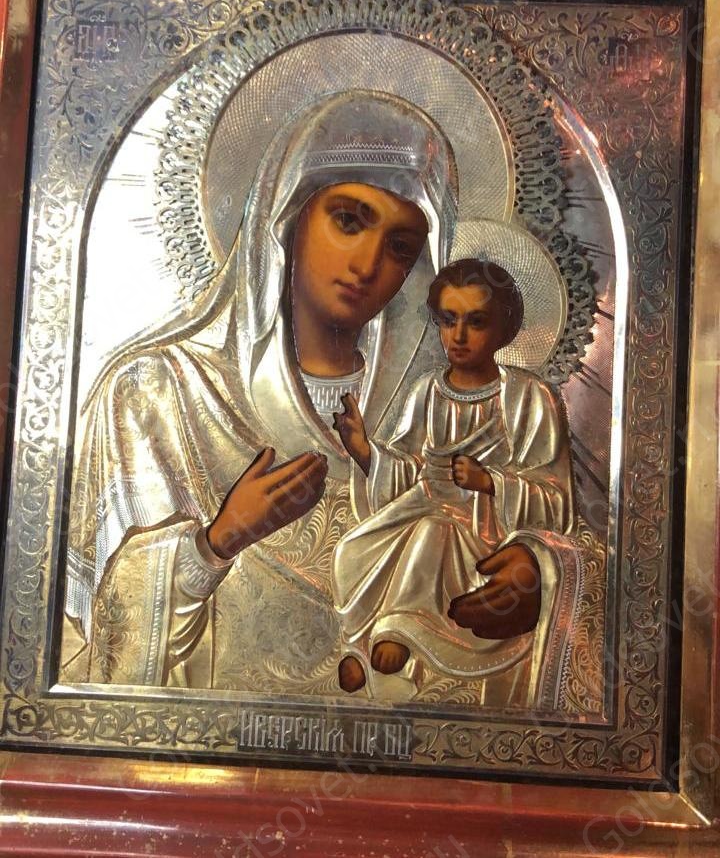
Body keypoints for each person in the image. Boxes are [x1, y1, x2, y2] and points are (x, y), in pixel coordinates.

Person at [61, 90, 578, 708]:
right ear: (288, 215)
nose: (368, 264)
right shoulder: (156, 392)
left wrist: (538, 571)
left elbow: (578, 552)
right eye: (349, 221)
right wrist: (215, 543)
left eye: (400, 246)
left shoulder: (427, 401)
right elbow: (94, 636)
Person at [332, 259, 575, 697]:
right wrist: (365, 451)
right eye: (449, 320)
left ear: (503, 330)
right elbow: (407, 469)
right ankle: (374, 650)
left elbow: (555, 500)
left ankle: (396, 633)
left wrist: (491, 483)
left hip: (484, 533)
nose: (458, 336)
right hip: (421, 506)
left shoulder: (529, 399)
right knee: (353, 548)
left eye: (476, 322)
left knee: (432, 530)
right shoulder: (427, 390)